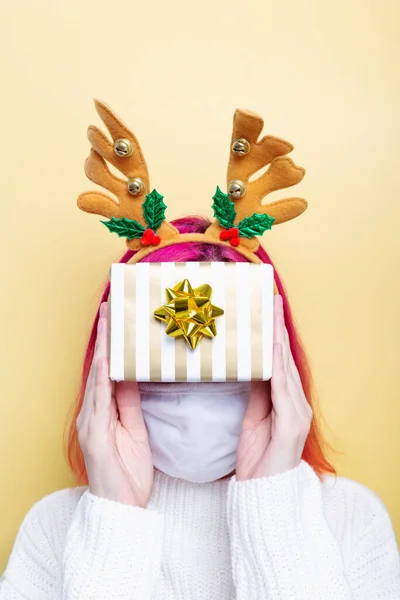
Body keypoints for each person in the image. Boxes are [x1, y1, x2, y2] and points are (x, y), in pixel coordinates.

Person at [1, 216, 399, 600]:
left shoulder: (352, 519)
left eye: (224, 364)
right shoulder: (52, 528)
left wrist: (274, 506)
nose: (195, 388)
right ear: (111, 364)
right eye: (163, 363)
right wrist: (113, 519)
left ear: (278, 359)